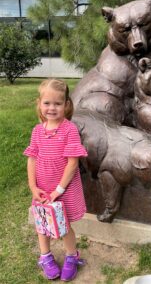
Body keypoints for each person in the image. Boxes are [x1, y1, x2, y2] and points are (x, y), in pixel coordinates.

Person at [24, 79, 88, 281]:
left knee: (65, 224)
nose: (52, 108)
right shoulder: (37, 131)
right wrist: (33, 187)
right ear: (39, 104)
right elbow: (32, 160)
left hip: (63, 190)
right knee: (43, 224)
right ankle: (45, 257)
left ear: (66, 105)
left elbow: (72, 163)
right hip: (42, 190)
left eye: (57, 103)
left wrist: (58, 191)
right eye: (47, 103)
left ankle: (71, 256)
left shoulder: (69, 130)